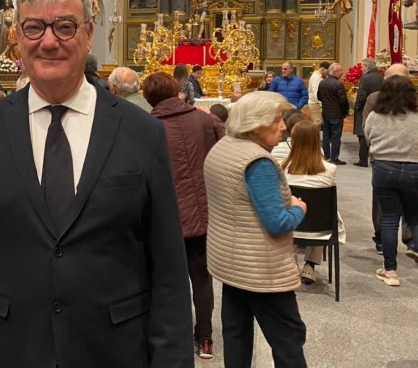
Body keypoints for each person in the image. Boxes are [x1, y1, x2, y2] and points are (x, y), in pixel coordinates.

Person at [0, 0, 194, 367]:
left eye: (64, 26)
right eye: (34, 27)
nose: (48, 41)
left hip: (115, 353)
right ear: (18, 36)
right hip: (15, 352)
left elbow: (169, 270)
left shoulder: (140, 132)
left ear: (88, 34)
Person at [203, 90, 308, 367]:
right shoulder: (258, 162)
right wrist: (299, 208)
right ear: (255, 124)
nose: (283, 126)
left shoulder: (222, 147)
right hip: (262, 269)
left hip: (231, 261)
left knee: (236, 335)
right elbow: (278, 223)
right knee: (288, 338)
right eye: (276, 120)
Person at [143, 72, 218, 359]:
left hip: (165, 216)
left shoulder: (147, 127)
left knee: (165, 279)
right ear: (176, 91)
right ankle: (205, 337)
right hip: (202, 211)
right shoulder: (203, 119)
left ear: (149, 98)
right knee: (202, 278)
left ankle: (173, 335)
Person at [364, 76, 418, 287]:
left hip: (384, 168)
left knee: (389, 219)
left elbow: (368, 138)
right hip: (415, 169)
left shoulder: (375, 115)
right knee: (415, 218)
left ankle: (391, 271)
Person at [362, 63, 418, 253]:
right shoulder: (373, 98)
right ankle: (385, 238)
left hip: (385, 159)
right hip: (411, 159)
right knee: (401, 209)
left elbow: (368, 130)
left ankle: (403, 244)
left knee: (394, 210)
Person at [281, 120, 341, 285]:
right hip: (321, 228)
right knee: (322, 211)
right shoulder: (330, 169)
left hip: (289, 227)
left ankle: (290, 262)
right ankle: (310, 265)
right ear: (317, 141)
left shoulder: (282, 168)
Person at [353, 58, 384, 167]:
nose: (361, 69)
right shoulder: (381, 77)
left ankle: (363, 160)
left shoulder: (365, 78)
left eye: (362, 66)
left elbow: (362, 95)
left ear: (367, 66)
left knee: (362, 134)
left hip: (365, 108)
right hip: (378, 108)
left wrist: (357, 107)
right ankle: (374, 157)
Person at [317, 62, 349, 165]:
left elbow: (319, 97)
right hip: (337, 114)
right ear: (335, 72)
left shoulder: (322, 83)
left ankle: (326, 156)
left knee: (326, 136)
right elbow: (343, 101)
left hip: (326, 113)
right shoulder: (338, 84)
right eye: (341, 71)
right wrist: (346, 111)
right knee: (336, 137)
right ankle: (334, 158)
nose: (342, 72)